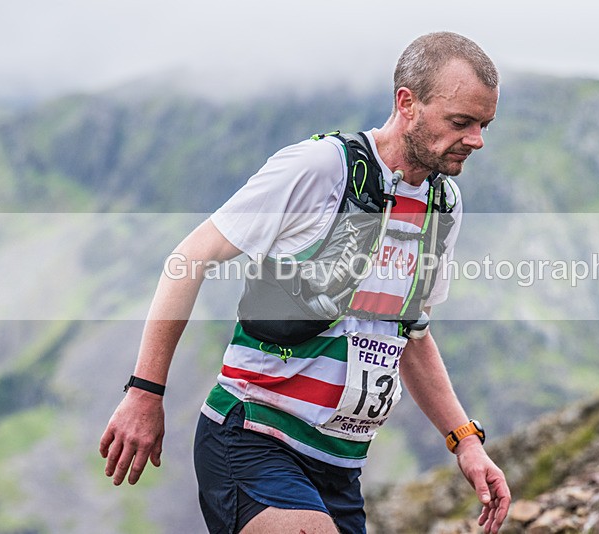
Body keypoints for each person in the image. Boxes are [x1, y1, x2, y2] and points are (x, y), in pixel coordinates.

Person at [100, 31, 510, 533]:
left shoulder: (444, 206)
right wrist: (146, 391)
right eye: (461, 122)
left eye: (484, 125)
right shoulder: (321, 168)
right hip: (254, 437)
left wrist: (465, 440)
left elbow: (410, 336)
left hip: (340, 468)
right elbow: (189, 258)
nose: (477, 140)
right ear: (407, 103)